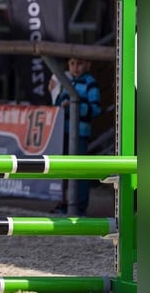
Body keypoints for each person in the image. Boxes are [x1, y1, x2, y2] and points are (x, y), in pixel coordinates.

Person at [50, 57, 102, 215]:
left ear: (88, 64)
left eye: (79, 63)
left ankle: (79, 205)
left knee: (79, 169)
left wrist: (76, 107)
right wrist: (60, 103)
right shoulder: (67, 82)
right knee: (63, 169)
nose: (75, 67)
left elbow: (96, 109)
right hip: (64, 132)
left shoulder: (90, 83)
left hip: (80, 132)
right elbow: (58, 104)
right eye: (72, 64)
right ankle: (64, 202)